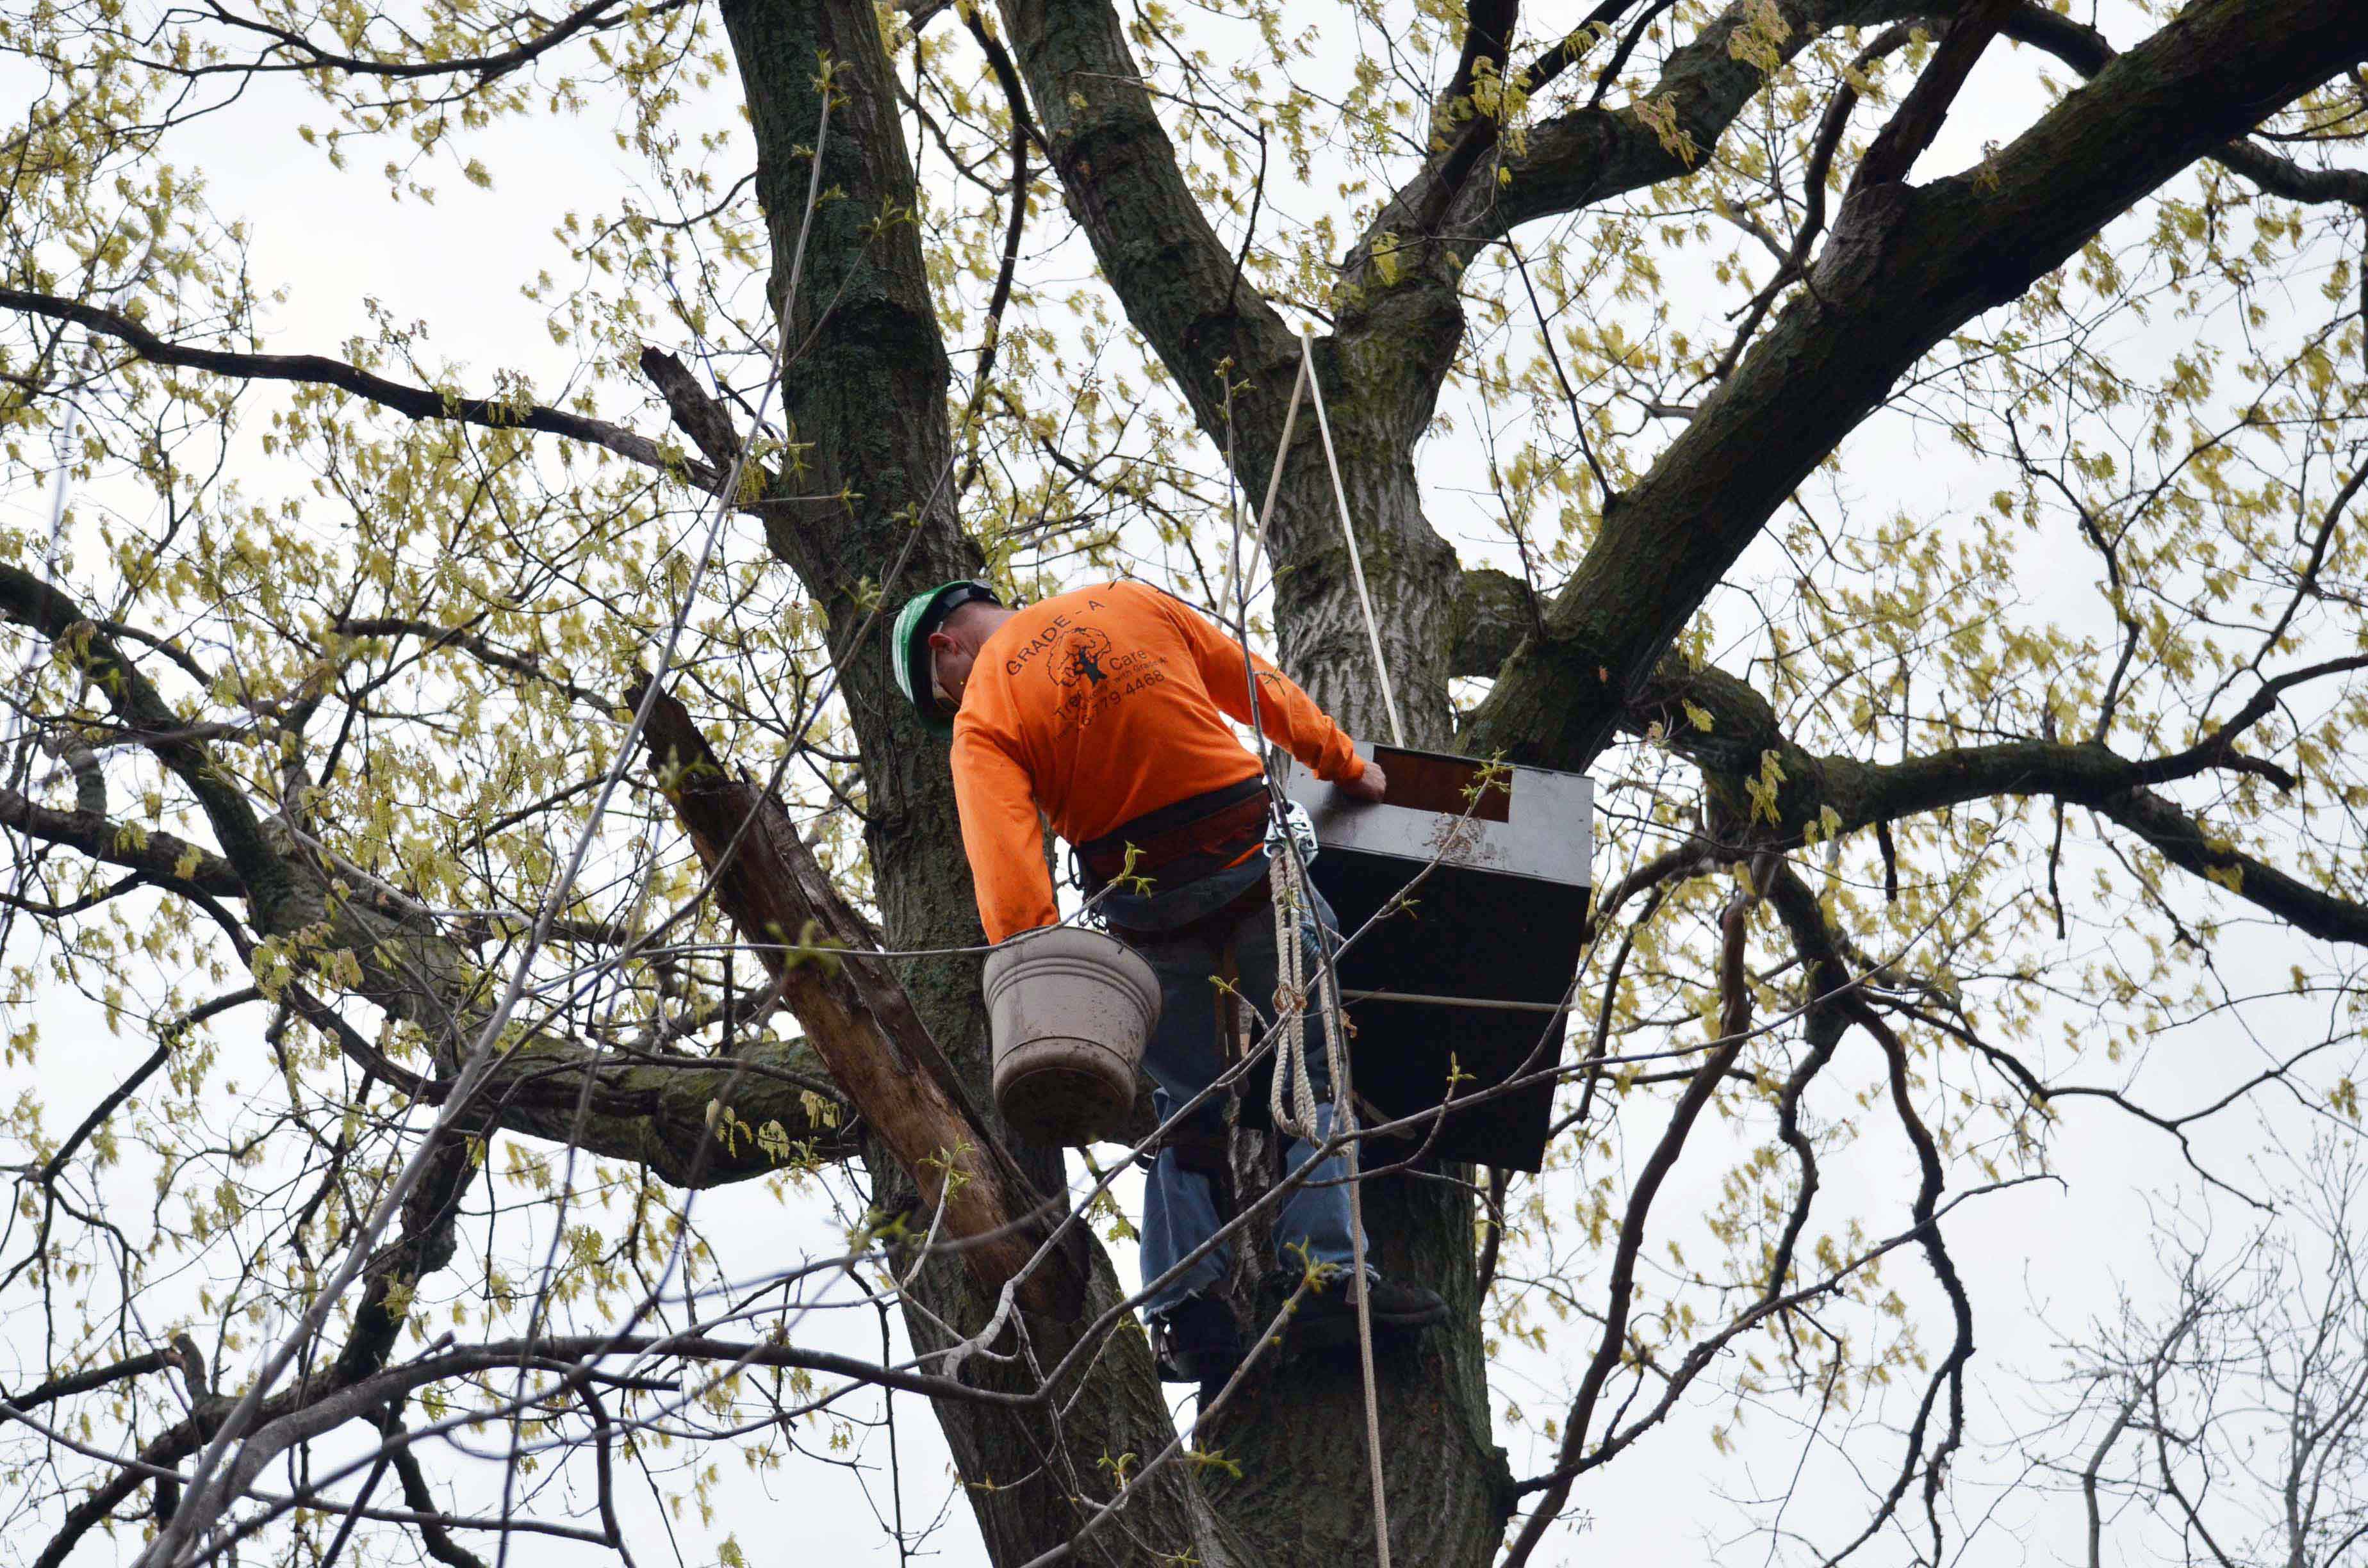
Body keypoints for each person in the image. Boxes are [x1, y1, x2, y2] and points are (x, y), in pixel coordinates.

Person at [891, 577, 1448, 1395]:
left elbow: (1009, 869)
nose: (954, 703)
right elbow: (1252, 683)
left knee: (1185, 1113)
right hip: (1251, 867)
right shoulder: (1129, 600)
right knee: (1316, 1069)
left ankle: (1190, 1316)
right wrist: (1342, 762)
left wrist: (1037, 964)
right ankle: (1325, 1279)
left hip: (1149, 909)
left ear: (946, 648)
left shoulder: (984, 711)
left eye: (943, 695)